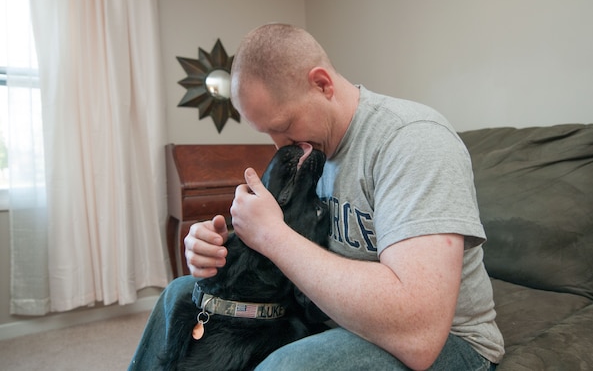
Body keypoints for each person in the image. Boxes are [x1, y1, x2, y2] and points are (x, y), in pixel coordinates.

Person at [130, 23, 504, 370]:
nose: (281, 146)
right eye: (269, 133)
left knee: (287, 367)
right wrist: (216, 250)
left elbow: (419, 334)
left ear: (322, 84)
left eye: (284, 126)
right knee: (180, 294)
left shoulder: (412, 141)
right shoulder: (313, 149)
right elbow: (280, 260)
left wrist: (273, 236)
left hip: (449, 343)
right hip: (325, 316)